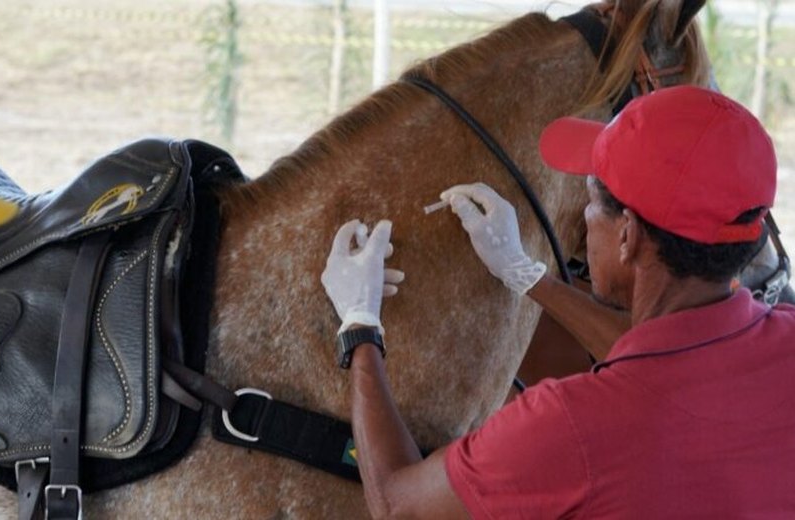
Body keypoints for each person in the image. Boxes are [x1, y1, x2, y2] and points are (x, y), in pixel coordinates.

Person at [320, 84, 795, 518]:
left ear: (627, 236)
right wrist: (525, 273)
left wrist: (360, 326)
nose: (585, 217)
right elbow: (673, 362)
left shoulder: (569, 426)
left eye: (590, 202)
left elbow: (398, 505)